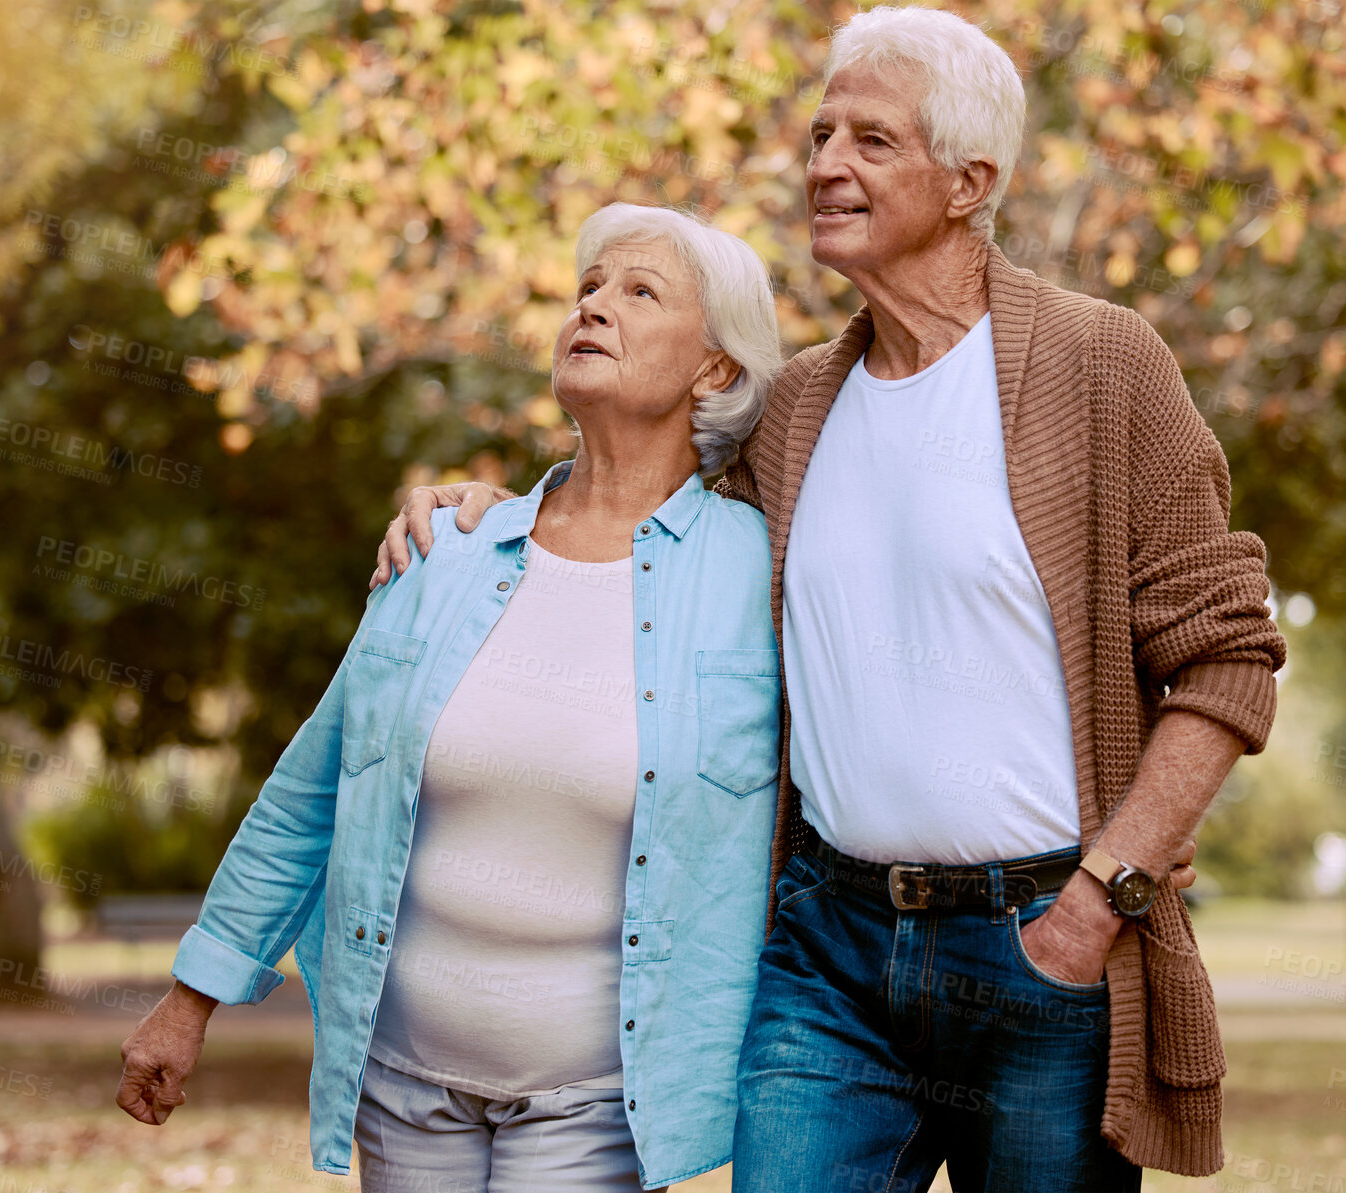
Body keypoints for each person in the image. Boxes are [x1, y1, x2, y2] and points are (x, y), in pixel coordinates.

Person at [373, 8, 1284, 1189]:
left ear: (969, 181)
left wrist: (1101, 898)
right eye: (818, 135)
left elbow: (1225, 656)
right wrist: (496, 505)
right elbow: (644, 515)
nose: (824, 166)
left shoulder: (1100, 363)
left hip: (1040, 942)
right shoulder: (797, 405)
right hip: (825, 952)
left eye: (869, 140)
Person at [115, 202, 787, 1191]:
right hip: (400, 1088)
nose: (595, 306)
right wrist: (191, 995)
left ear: (716, 369)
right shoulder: (449, 549)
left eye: (639, 292)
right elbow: (312, 790)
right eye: (588, 288)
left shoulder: (762, 570)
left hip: (598, 1102)